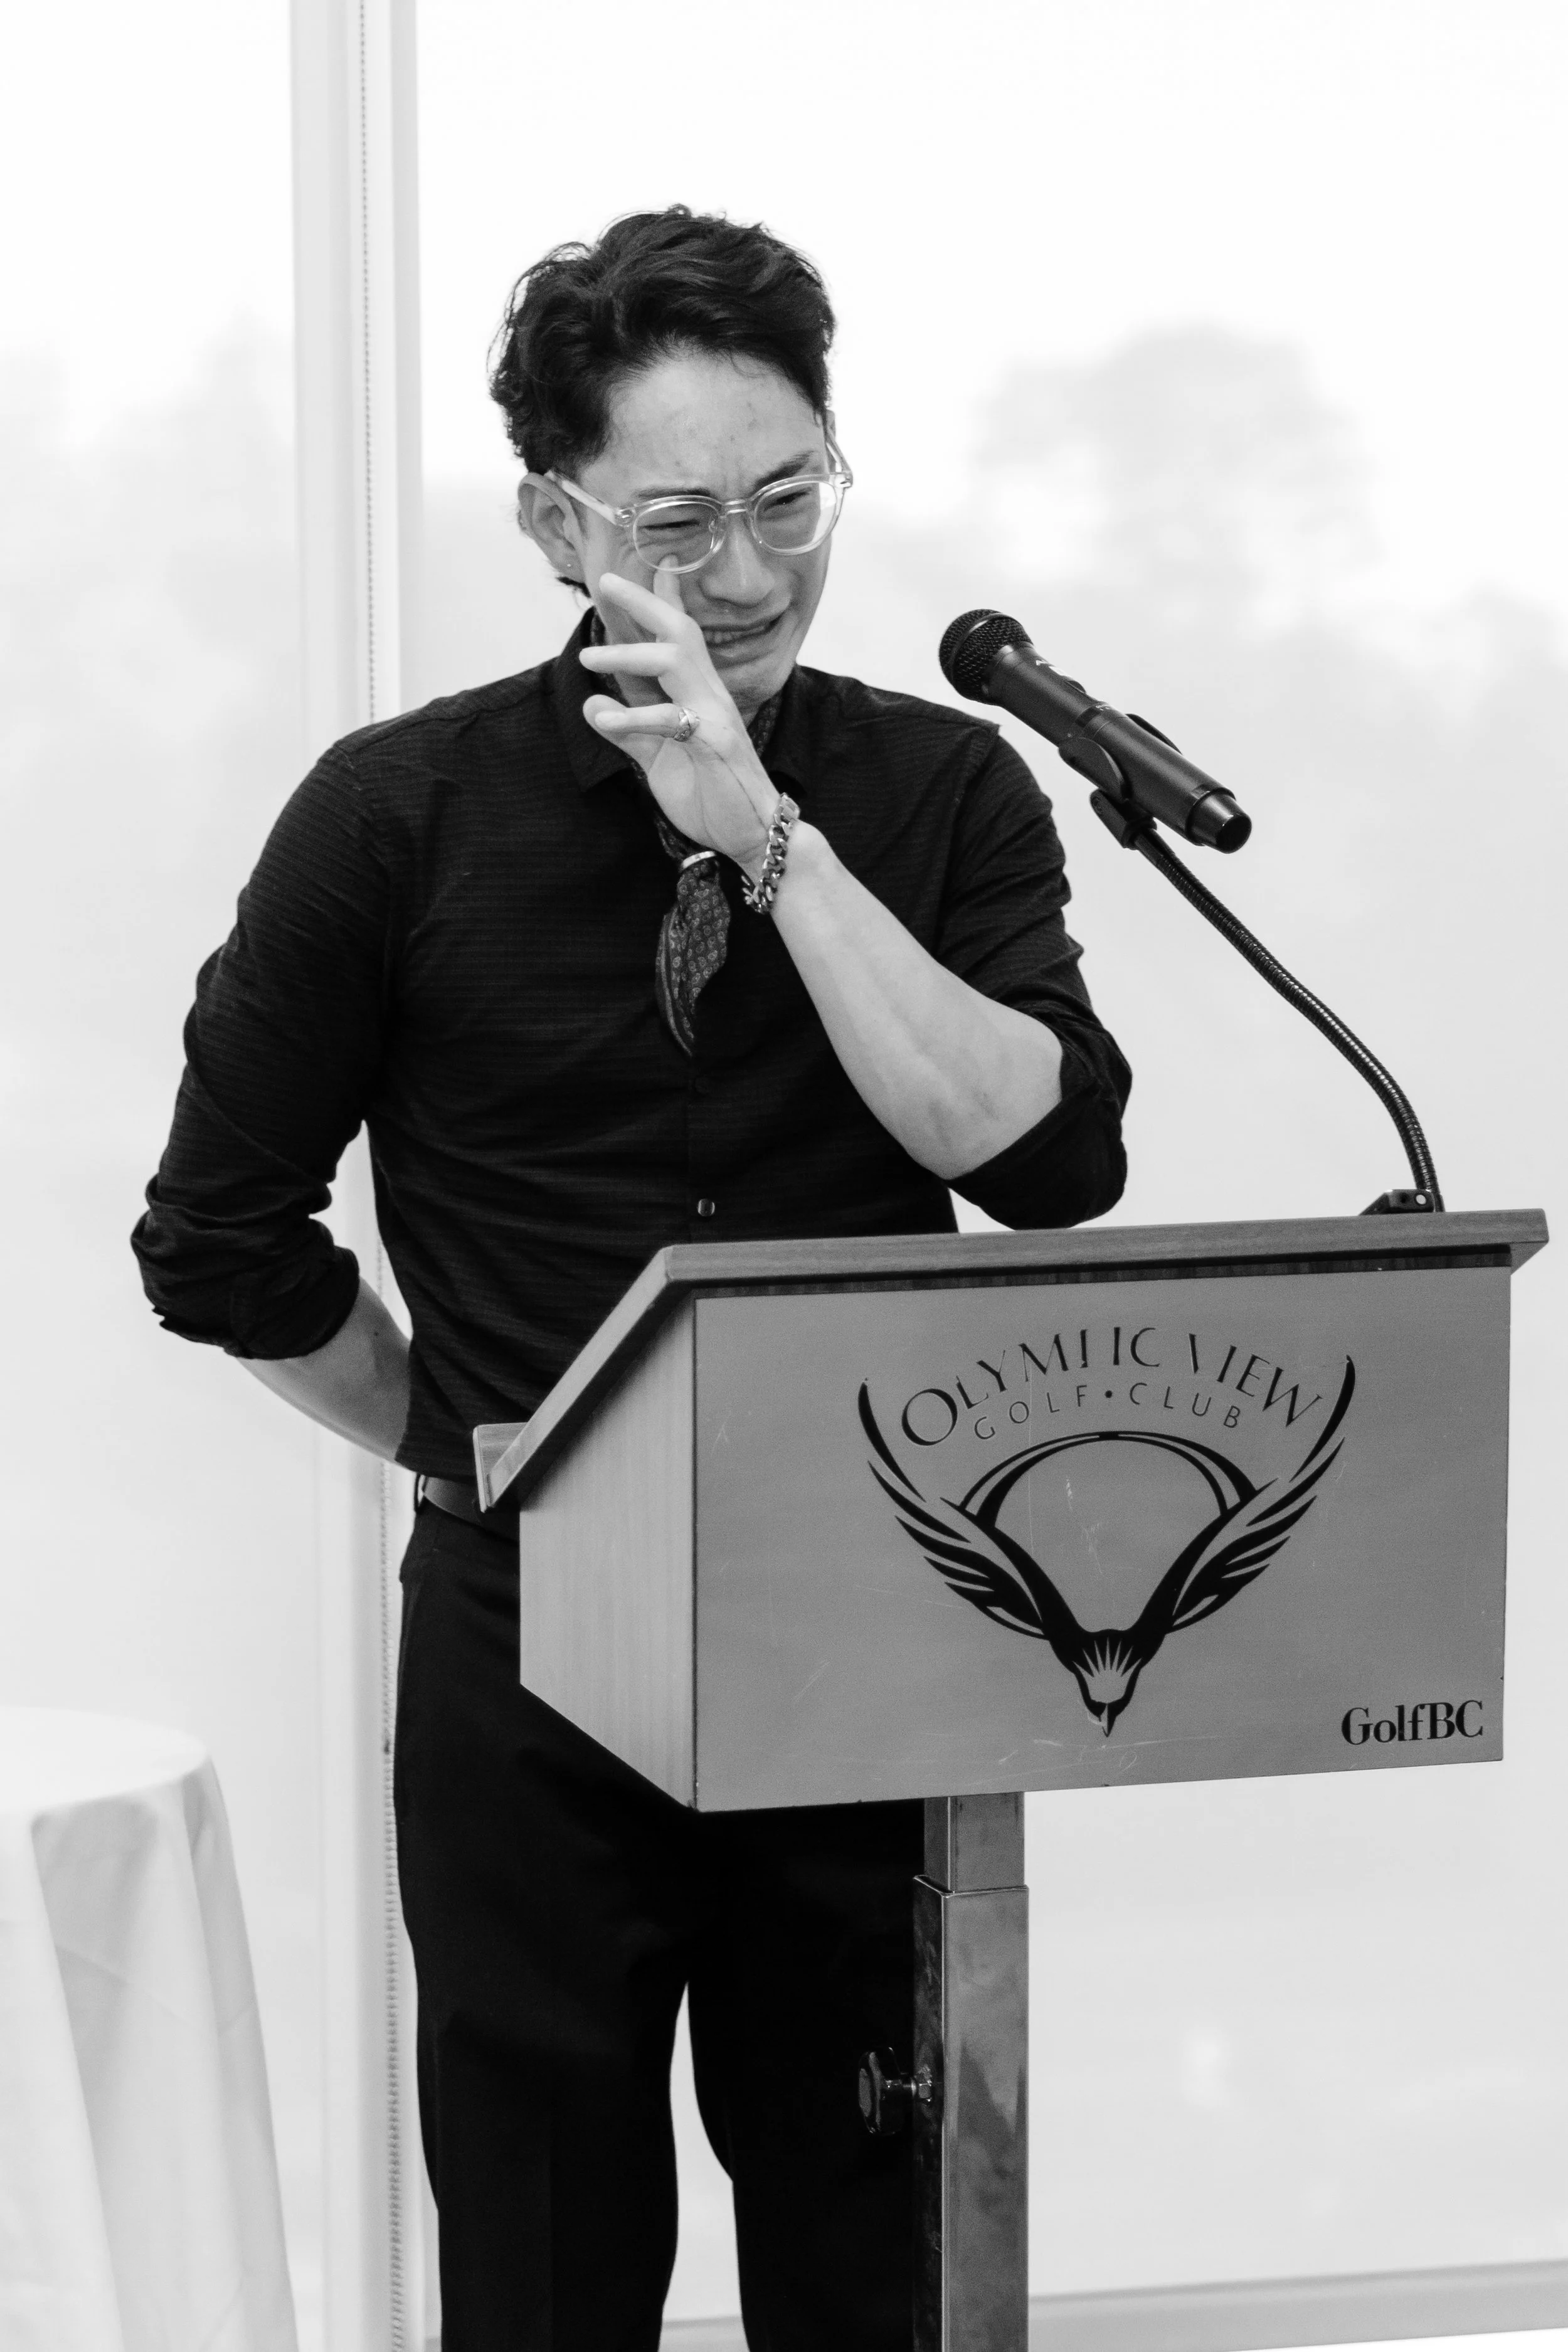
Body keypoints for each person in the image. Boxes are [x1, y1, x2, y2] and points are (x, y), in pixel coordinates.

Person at [132, 206, 1131, 2352]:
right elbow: (219, 1236)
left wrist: (763, 831)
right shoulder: (394, 816)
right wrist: (467, 1444)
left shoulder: (940, 786)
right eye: (680, 523)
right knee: (546, 2249)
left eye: (791, 500)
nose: (751, 573)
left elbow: (1040, 1160)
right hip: (533, 1655)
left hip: (873, 1625)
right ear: (553, 518)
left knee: (876, 2248)